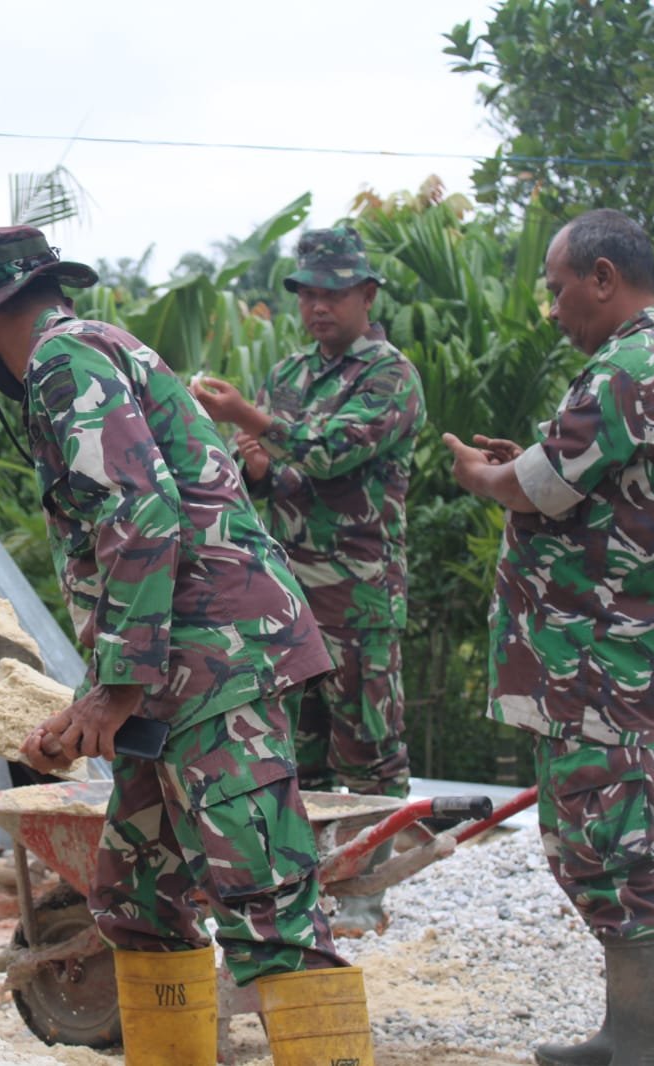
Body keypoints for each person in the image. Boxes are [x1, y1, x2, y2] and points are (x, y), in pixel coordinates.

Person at [0, 226, 372, 1066]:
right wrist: (104, 696)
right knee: (139, 899)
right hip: (170, 677)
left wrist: (114, 689)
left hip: (214, 669)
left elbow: (141, 514)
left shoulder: (64, 362)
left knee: (268, 904)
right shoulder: (99, 350)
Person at [442, 209, 654, 1066]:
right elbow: (580, 476)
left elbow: (542, 488)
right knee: (604, 844)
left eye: (559, 291)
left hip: (609, 667)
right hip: (604, 666)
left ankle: (653, 1048)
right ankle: (631, 1035)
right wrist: (526, 464)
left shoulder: (633, 364)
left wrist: (485, 474)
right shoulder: (641, 364)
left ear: (603, 276)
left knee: (624, 850)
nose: (553, 310)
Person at [194, 224, 426, 937]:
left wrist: (247, 417)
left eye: (333, 292)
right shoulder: (290, 375)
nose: (319, 306)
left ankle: (365, 892)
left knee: (370, 746)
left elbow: (329, 453)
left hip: (358, 593)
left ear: (366, 294)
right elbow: (275, 471)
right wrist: (257, 464)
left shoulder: (389, 374)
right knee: (301, 748)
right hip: (288, 594)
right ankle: (308, 888)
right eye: (308, 294)